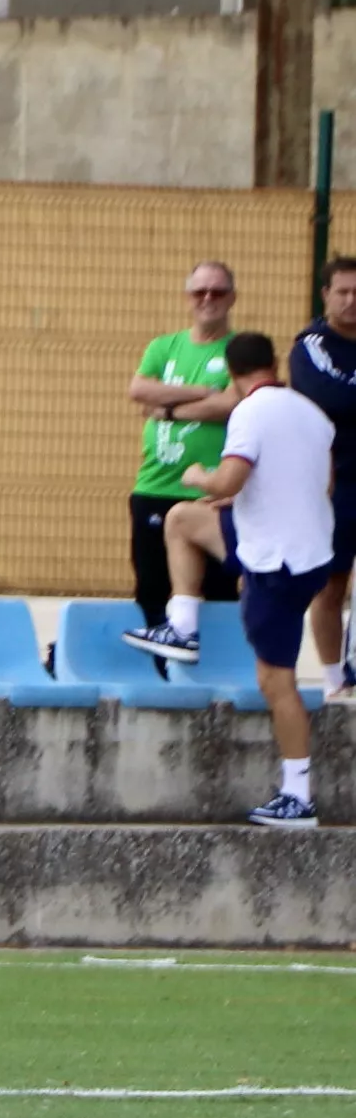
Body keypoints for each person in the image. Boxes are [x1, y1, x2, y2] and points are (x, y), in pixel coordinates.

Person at [126, 333, 336, 827]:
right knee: (183, 521)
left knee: (275, 682)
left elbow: (228, 480)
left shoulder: (250, 411)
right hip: (308, 554)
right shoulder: (311, 413)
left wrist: (202, 477)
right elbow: (319, 483)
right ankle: (182, 626)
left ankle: (298, 795)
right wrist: (236, 502)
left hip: (276, 564)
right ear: (273, 363)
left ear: (230, 370)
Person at [119, 263, 242, 631]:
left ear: (232, 298)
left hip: (211, 493)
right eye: (200, 291)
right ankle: (158, 667)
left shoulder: (239, 350)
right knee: (153, 586)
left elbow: (234, 402)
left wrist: (165, 411)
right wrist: (203, 392)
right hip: (155, 486)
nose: (208, 299)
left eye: (218, 292)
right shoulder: (164, 346)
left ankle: (219, 672)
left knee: (219, 586)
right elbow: (139, 390)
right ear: (188, 297)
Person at [279, 259, 356, 698]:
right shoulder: (310, 345)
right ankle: (333, 681)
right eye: (342, 291)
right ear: (325, 294)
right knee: (330, 585)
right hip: (334, 484)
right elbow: (327, 397)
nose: (350, 301)